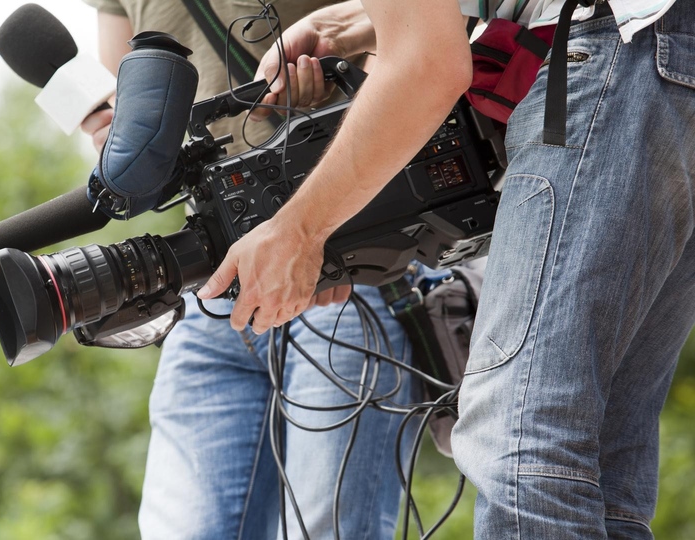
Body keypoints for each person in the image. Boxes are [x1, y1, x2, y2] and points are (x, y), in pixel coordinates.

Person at [199, 0, 695, 538]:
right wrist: (347, 24)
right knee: (598, 469)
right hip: (664, 51)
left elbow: (426, 65)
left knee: (522, 439)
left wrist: (299, 233)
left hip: (622, 47)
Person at [76, 0, 434, 538]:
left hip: (337, 256)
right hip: (214, 282)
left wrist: (333, 86)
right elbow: (124, 88)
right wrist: (115, 134)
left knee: (327, 528)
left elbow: (421, 40)